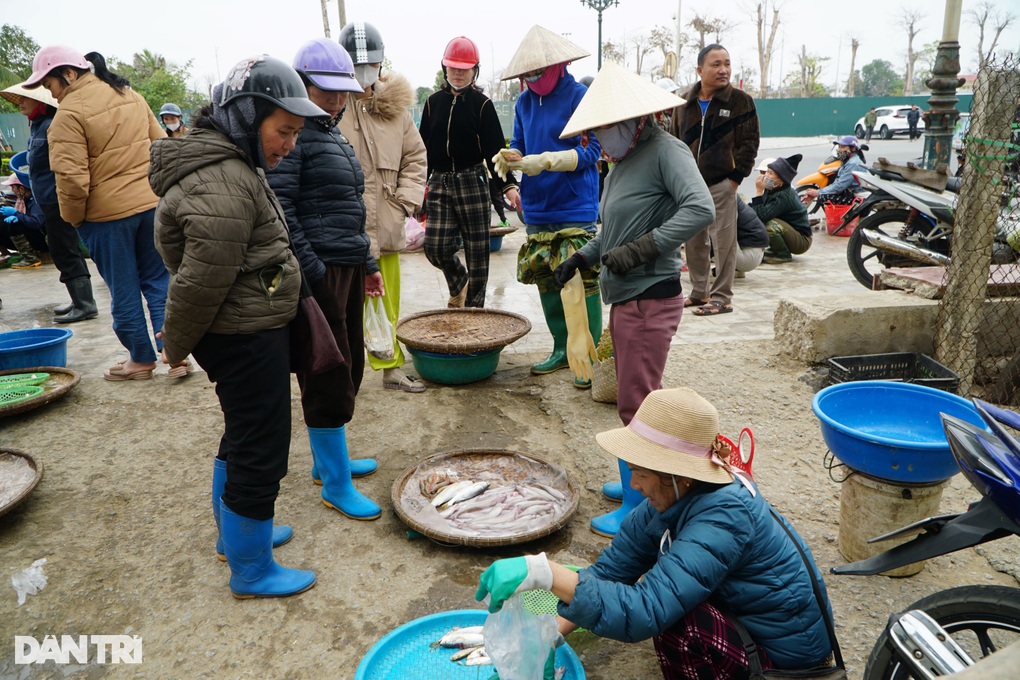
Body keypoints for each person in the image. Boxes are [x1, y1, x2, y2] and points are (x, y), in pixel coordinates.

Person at [476, 388, 837, 680]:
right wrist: (550, 634)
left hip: (788, 662)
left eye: (640, 472)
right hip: (747, 619)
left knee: (674, 621)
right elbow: (607, 574)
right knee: (640, 591)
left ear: (679, 474)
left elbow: (642, 611)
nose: (633, 484)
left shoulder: (725, 517)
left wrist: (545, 572)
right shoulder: (668, 503)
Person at [150, 54, 327, 598]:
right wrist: (174, 345)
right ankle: (251, 569)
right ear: (248, 116)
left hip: (247, 327)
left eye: (296, 134)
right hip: (243, 335)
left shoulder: (232, 164)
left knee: (242, 431)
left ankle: (237, 537)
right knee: (261, 445)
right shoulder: (221, 179)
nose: (289, 145)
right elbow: (201, 279)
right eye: (283, 131)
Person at [552, 62, 714, 537]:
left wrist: (645, 248)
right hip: (626, 296)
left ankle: (641, 511)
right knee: (633, 396)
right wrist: (583, 256)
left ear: (632, 121)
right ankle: (634, 484)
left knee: (636, 404)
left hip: (650, 295)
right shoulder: (621, 162)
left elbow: (700, 207)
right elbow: (614, 229)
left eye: (603, 129)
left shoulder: (667, 150)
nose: (598, 139)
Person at [268, 38, 382, 521]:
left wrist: (368, 261)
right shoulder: (297, 137)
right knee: (328, 372)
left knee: (349, 362)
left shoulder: (330, 131)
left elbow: (347, 208)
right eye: (325, 89)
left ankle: (327, 461)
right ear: (302, 84)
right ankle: (335, 483)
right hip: (321, 270)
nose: (337, 98)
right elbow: (282, 208)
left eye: (343, 90)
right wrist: (312, 270)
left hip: (346, 264)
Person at [24, 46, 172, 379]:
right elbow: (161, 145)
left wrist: (75, 219)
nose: (51, 94)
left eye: (50, 85)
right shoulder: (131, 95)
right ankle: (175, 355)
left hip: (106, 218)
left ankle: (141, 359)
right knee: (159, 281)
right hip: (151, 207)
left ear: (69, 74)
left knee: (124, 288)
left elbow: (72, 182)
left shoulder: (68, 116)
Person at [492, 26, 602, 389]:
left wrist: (552, 160)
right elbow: (520, 144)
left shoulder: (579, 96)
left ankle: (591, 355)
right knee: (547, 280)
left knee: (579, 282)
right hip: (537, 205)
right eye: (527, 73)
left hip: (574, 204)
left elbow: (593, 151)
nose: (532, 78)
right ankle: (560, 348)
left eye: (538, 71)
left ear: (559, 63)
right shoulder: (524, 102)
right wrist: (511, 157)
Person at [338, 22, 429, 394]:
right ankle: (340, 372)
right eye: (355, 64)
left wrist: (403, 203)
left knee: (386, 301)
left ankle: (390, 368)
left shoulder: (397, 110)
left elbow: (416, 157)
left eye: (369, 63)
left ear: (380, 63)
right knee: (340, 304)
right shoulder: (329, 104)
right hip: (342, 227)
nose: (363, 72)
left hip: (386, 224)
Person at [418, 36, 518, 308]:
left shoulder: (482, 105)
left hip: (473, 181)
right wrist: (418, 187)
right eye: (453, 68)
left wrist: (508, 185)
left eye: (465, 68)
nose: (458, 73)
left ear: (475, 70)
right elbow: (422, 148)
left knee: (477, 253)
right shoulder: (432, 103)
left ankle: (474, 312)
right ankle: (458, 281)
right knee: (435, 247)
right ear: (444, 67)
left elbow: (495, 150)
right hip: (440, 181)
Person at [669, 44, 759, 317]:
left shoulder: (741, 101)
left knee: (723, 242)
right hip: (690, 185)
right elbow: (673, 141)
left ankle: (723, 297)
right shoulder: (683, 102)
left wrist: (734, 179)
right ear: (700, 70)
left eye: (727, 64)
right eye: (716, 64)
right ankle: (699, 292)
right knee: (694, 241)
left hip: (722, 183)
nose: (724, 70)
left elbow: (750, 143)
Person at [1, 81, 98, 322]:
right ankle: (79, 300)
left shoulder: (52, 125)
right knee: (62, 249)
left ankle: (85, 304)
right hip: (47, 198)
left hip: (58, 199)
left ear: (41, 102)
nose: (20, 102)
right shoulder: (37, 126)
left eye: (25, 98)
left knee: (65, 250)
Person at [751, 154, 811, 265]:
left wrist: (758, 191)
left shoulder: (783, 195)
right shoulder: (772, 188)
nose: (766, 176)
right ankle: (775, 249)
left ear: (781, 180)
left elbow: (761, 217)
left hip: (802, 240)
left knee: (769, 225)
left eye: (770, 173)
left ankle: (783, 255)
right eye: (767, 172)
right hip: (789, 231)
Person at [801, 135, 865, 208]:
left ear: (853, 148)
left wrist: (818, 192)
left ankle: (840, 218)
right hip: (851, 192)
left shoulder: (853, 163)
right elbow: (837, 183)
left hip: (859, 196)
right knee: (824, 194)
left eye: (843, 147)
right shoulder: (848, 161)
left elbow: (839, 186)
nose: (840, 150)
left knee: (824, 197)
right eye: (839, 147)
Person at [0, 173, 47, 268]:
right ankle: (5, 253)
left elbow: (35, 223)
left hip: (42, 240)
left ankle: (31, 258)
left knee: (14, 224)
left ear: (21, 189)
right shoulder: (22, 201)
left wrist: (16, 214)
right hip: (29, 238)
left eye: (13, 187)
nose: (12, 190)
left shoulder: (35, 202)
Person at [734, 198, 769, 277]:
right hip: (757, 253)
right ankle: (737, 270)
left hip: (747, 257)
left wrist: (759, 192)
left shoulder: (724, 199)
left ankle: (711, 273)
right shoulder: (733, 197)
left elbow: (763, 215)